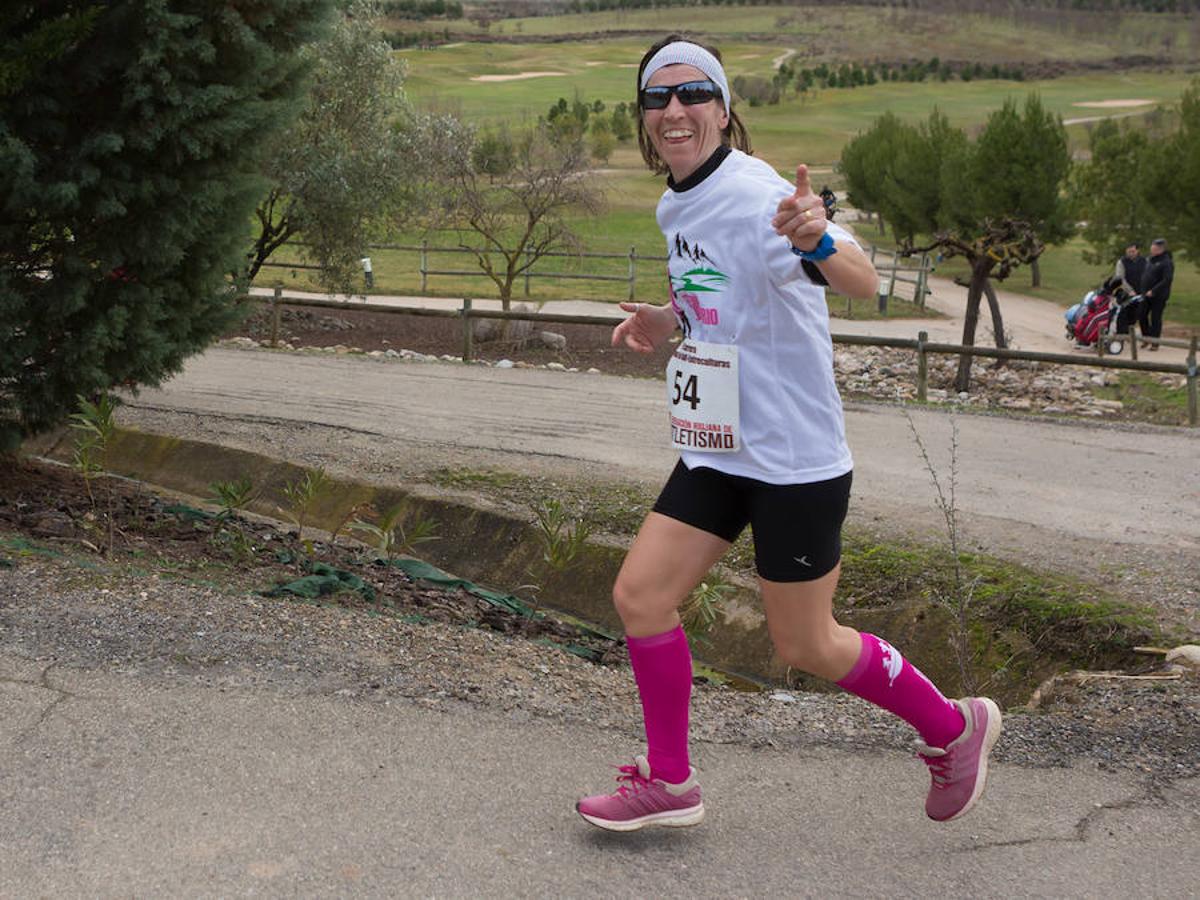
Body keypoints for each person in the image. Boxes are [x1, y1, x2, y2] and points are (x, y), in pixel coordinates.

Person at [575, 34, 1002, 833]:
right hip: (719, 445)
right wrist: (672, 318)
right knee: (640, 596)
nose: (674, 110)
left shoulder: (754, 192)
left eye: (693, 93)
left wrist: (816, 238)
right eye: (657, 97)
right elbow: (716, 293)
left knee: (808, 645)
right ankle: (670, 783)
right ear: (643, 117)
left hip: (794, 462)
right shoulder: (678, 199)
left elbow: (862, 281)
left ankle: (954, 727)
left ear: (724, 109)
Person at [1139, 238, 1174, 350]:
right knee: (1141, 315)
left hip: (1158, 295)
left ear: (1160, 249)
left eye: (1154, 249)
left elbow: (1167, 279)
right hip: (1145, 294)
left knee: (1155, 318)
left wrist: (1153, 290)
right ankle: (1146, 338)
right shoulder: (1149, 260)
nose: (1151, 251)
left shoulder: (1166, 262)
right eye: (1151, 248)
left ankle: (1155, 342)